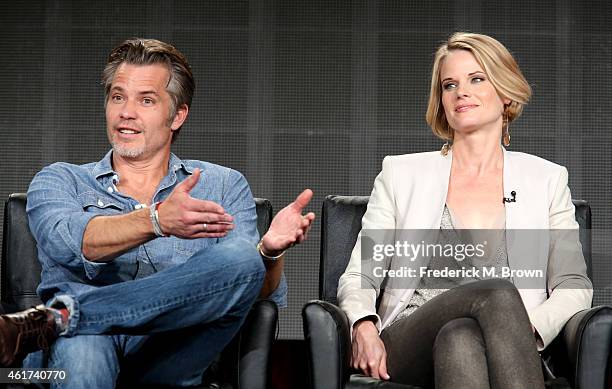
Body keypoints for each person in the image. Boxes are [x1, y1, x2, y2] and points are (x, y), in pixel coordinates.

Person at [0, 38, 315, 387]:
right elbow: (75, 244)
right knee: (84, 348)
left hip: (171, 351)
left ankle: (60, 318)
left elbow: (243, 286)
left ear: (177, 115)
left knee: (243, 258)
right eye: (117, 97)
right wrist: (156, 220)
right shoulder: (61, 179)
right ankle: (72, 323)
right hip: (80, 347)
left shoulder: (223, 185)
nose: (126, 113)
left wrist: (269, 253)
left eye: (146, 100)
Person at [337, 32, 592, 388]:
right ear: (441, 100)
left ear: (505, 93)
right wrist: (362, 325)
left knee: (460, 338)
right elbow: (360, 276)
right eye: (449, 84)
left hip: (502, 346)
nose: (461, 92)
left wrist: (523, 329)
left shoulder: (546, 179)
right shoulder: (401, 174)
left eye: (476, 79)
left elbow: (572, 285)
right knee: (497, 293)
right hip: (410, 339)